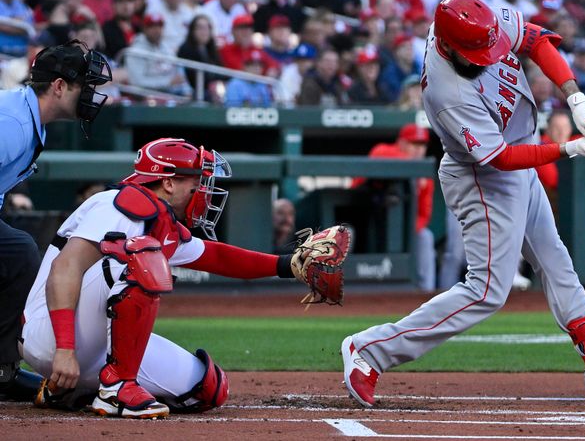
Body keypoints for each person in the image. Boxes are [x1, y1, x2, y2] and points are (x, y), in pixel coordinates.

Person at [342, 0, 585, 410]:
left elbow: (537, 40)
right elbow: (500, 158)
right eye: (477, 54)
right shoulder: (446, 92)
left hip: (523, 154)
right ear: (450, 48)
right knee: (487, 290)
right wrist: (567, 149)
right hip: (483, 176)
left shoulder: (477, 17)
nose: (488, 57)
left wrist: (575, 96)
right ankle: (370, 350)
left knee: (557, 263)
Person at [22, 137, 346, 418]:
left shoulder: (160, 219)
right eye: (195, 180)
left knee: (207, 389)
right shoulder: (122, 205)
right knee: (140, 259)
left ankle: (70, 391)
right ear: (168, 182)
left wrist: (289, 265)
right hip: (49, 333)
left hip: (87, 342)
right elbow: (65, 268)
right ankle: (116, 388)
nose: (202, 190)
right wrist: (64, 348)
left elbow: (216, 256)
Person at [0, 40, 111, 401]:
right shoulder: (13, 122)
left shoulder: (28, 119)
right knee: (18, 252)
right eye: (84, 86)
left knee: (18, 254)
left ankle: (3, 369)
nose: (90, 95)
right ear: (60, 86)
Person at [352, 124, 436, 292]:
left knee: (425, 236)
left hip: (400, 229)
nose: (419, 150)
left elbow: (424, 215)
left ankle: (425, 293)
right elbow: (379, 155)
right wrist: (415, 169)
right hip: (359, 215)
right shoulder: (383, 150)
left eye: (422, 145)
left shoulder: (426, 178)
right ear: (401, 142)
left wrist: (409, 232)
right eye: (414, 144)